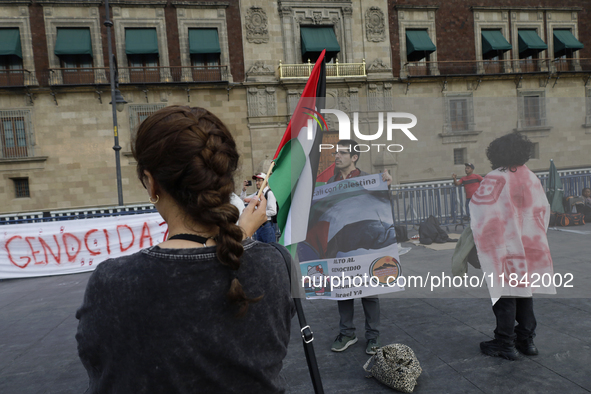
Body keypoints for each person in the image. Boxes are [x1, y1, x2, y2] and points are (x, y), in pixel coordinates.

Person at [76, 106, 294, 393]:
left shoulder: (113, 282)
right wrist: (241, 233)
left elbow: (103, 371)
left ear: (152, 183)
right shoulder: (277, 264)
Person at [471, 132, 555, 360]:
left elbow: (481, 211)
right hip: (531, 246)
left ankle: (505, 343)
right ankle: (527, 341)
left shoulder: (495, 177)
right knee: (524, 293)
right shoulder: (531, 177)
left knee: (505, 295)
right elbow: (544, 210)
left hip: (503, 248)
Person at [327, 139, 392, 356]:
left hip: (366, 242)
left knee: (370, 291)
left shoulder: (370, 179)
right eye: (336, 152)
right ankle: (347, 333)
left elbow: (383, 206)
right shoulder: (330, 182)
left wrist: (387, 186)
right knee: (343, 290)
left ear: (354, 157)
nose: (337, 156)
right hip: (340, 243)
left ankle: (373, 336)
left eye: (343, 153)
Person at [241, 172, 277, 243]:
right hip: (258, 227)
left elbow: (273, 211)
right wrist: (244, 190)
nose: (257, 183)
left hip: (267, 226)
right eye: (256, 181)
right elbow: (244, 199)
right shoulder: (257, 193)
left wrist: (259, 214)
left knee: (269, 251)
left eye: (259, 180)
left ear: (265, 181)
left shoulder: (269, 193)